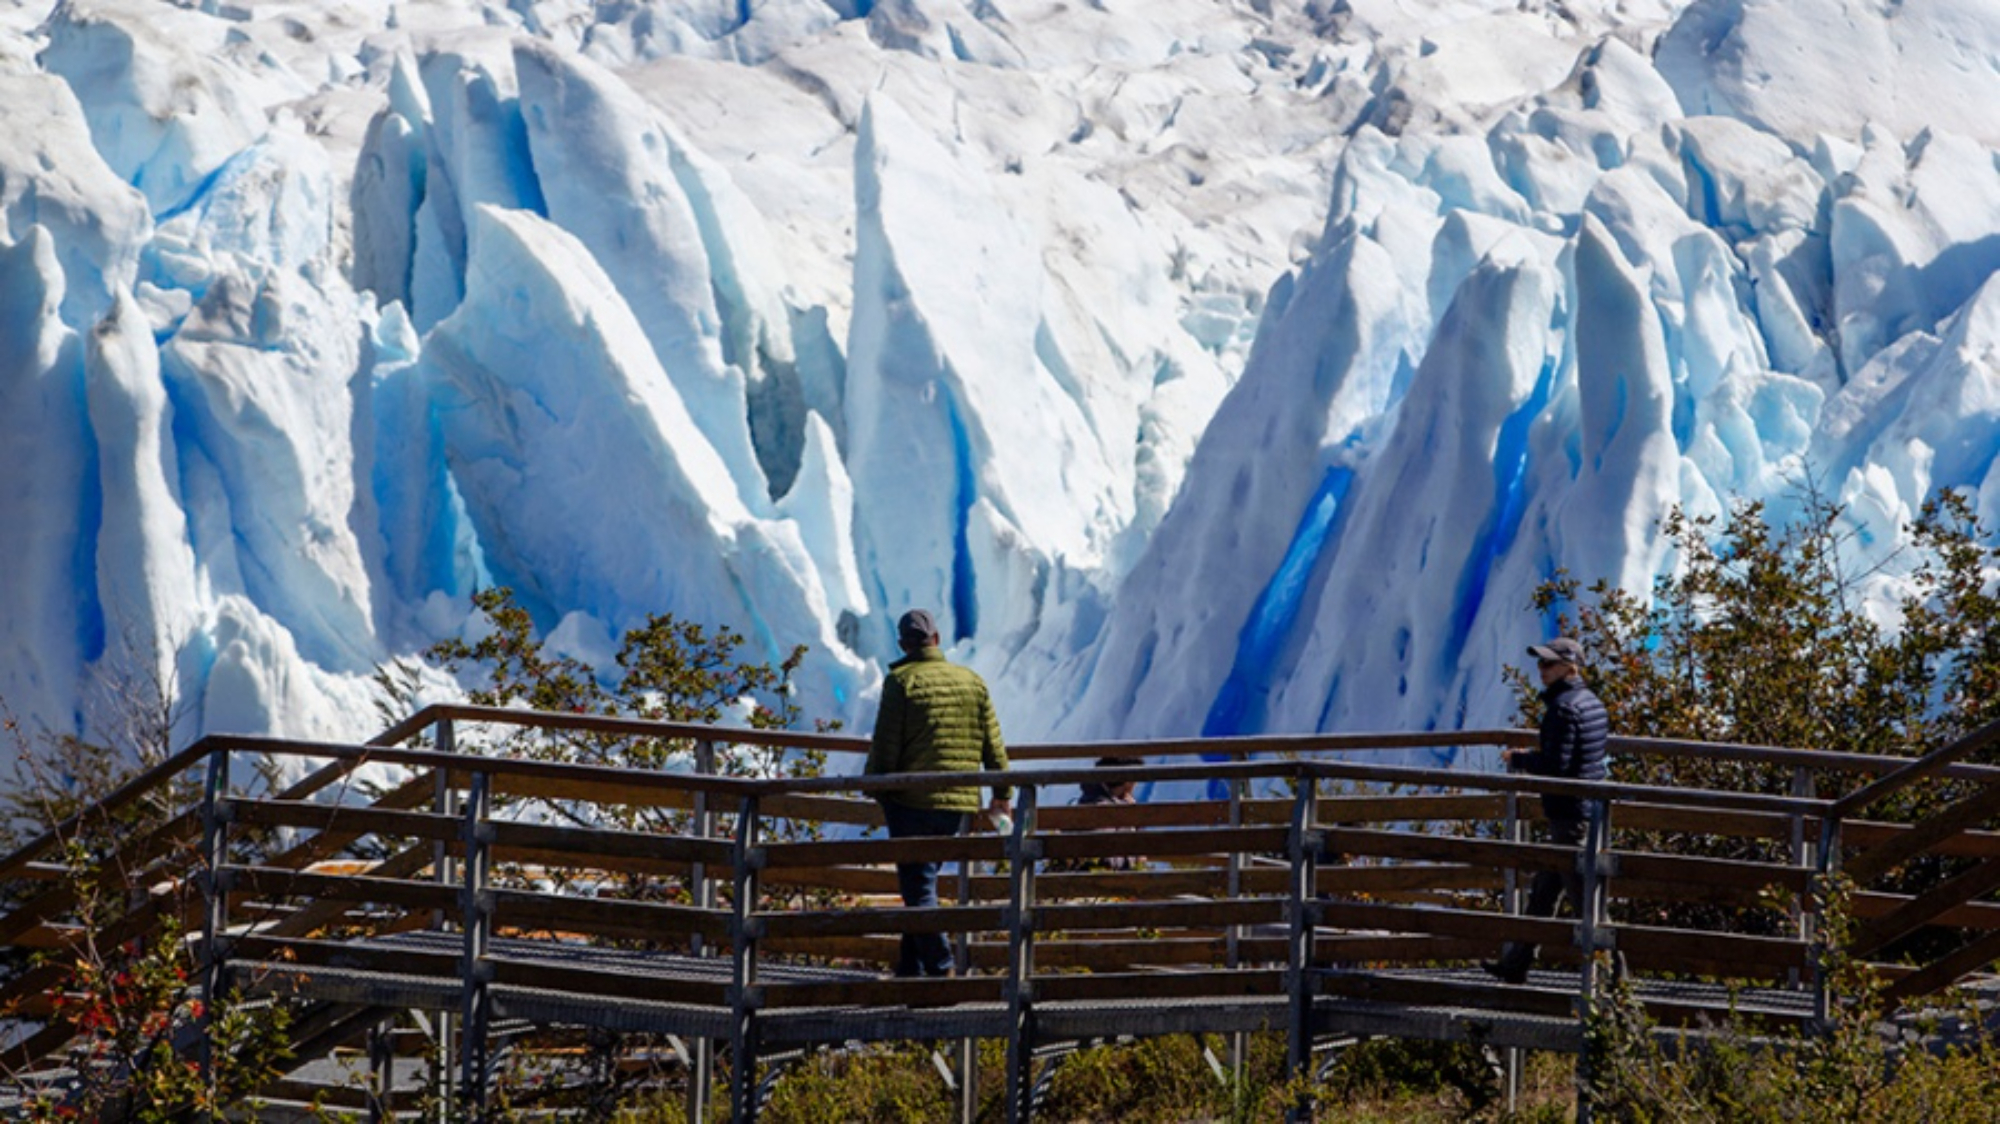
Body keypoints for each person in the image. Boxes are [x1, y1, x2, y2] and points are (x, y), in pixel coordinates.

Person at [864, 609, 1011, 977]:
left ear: (903, 644)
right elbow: (994, 746)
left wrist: (875, 786)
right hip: (959, 804)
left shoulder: (900, 682)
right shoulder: (972, 681)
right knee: (922, 883)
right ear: (937, 638)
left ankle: (941, 965)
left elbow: (886, 745)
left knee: (918, 889)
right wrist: (1001, 793)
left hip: (911, 801)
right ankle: (909, 973)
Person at [1485, 634, 1608, 984]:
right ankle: (1515, 965)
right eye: (1540, 663)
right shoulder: (1591, 702)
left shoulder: (1564, 708)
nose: (1541, 669)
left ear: (1570, 667)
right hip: (1584, 811)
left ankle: (1617, 985)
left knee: (1588, 903)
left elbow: (1558, 764)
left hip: (1569, 816)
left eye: (1549, 663)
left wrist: (1520, 759)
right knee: (1544, 893)